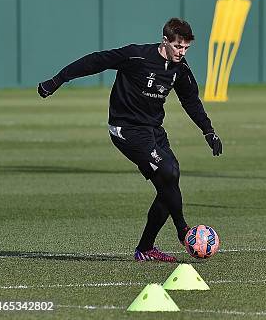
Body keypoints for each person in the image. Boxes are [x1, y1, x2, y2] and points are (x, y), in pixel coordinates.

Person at [38, 18, 222, 262]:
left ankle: (145, 249)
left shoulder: (180, 69)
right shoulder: (137, 56)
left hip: (153, 130)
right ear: (165, 41)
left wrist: (208, 131)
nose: (182, 52)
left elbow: (191, 101)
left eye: (186, 48)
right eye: (178, 47)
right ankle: (184, 232)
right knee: (167, 173)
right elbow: (95, 61)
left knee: (171, 178)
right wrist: (57, 80)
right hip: (126, 129)